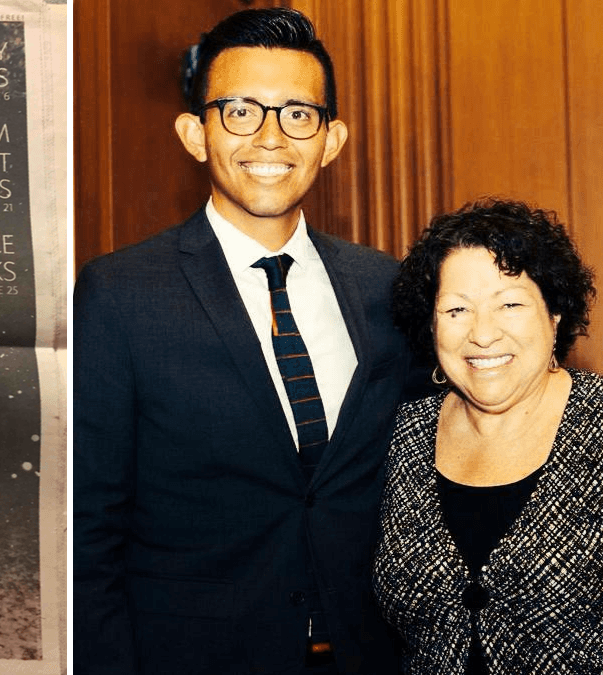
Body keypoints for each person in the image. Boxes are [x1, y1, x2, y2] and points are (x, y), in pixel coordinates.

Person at [74, 8, 423, 674]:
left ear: (332, 139)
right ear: (195, 133)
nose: (270, 137)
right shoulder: (120, 294)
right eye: (240, 111)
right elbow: (88, 534)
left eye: (297, 114)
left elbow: (463, 431)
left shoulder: (388, 288)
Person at [374, 199, 603, 674]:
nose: (483, 333)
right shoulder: (401, 436)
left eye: (510, 303)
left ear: (554, 316)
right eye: (457, 310)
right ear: (431, 325)